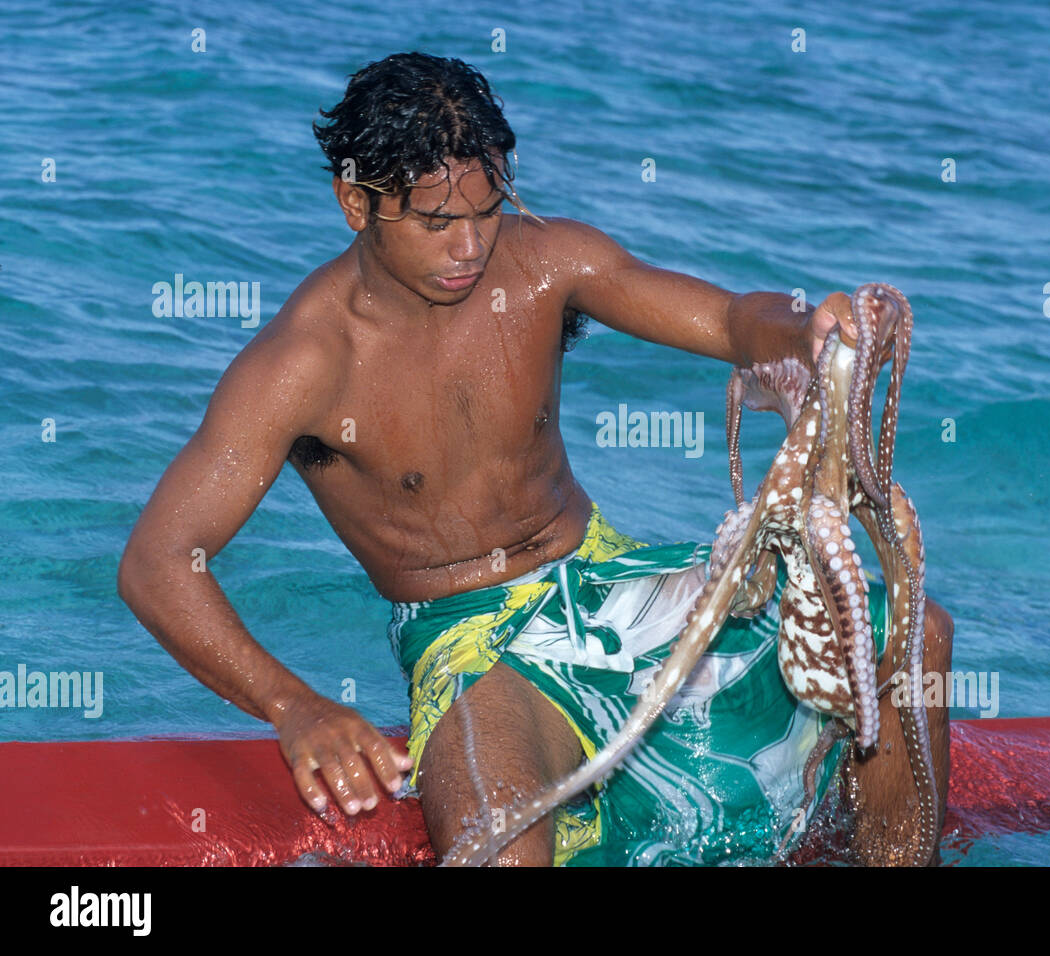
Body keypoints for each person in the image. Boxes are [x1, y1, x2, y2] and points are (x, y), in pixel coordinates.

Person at [118, 52, 953, 865]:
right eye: (437, 222)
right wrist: (295, 709)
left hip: (610, 577)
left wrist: (805, 330)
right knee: (498, 837)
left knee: (912, 636)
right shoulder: (303, 363)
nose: (470, 248)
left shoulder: (546, 265)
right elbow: (159, 564)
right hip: (469, 634)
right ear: (355, 201)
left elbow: (733, 320)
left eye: (487, 211)